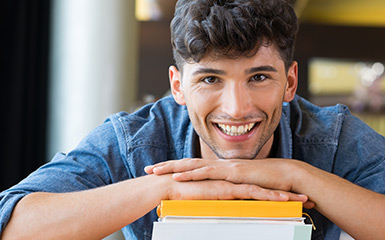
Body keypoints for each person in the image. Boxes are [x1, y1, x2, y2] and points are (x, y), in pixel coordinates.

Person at [1, 0, 385, 239]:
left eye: (259, 77)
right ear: (178, 86)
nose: (236, 108)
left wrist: (299, 175)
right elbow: (13, 227)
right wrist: (164, 190)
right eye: (210, 79)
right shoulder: (136, 139)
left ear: (290, 82)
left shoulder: (331, 135)